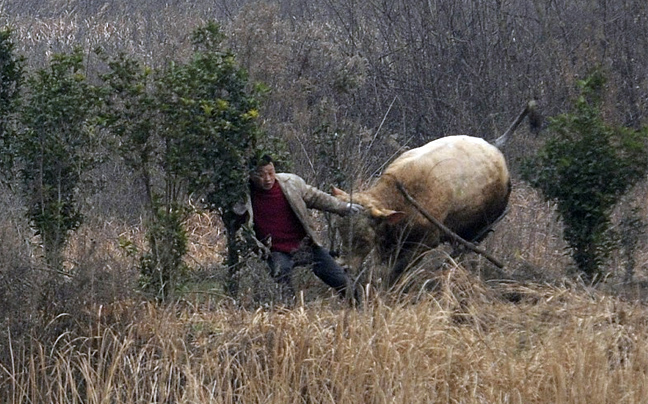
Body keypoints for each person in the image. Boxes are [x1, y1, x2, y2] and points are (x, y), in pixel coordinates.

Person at [235, 154, 363, 305]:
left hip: (306, 245)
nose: (268, 179)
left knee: (341, 280)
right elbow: (236, 219)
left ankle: (358, 307)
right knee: (281, 282)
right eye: (261, 175)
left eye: (270, 173)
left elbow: (317, 198)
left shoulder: (291, 183)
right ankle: (288, 315)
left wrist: (343, 207)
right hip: (276, 250)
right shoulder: (244, 194)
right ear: (251, 175)